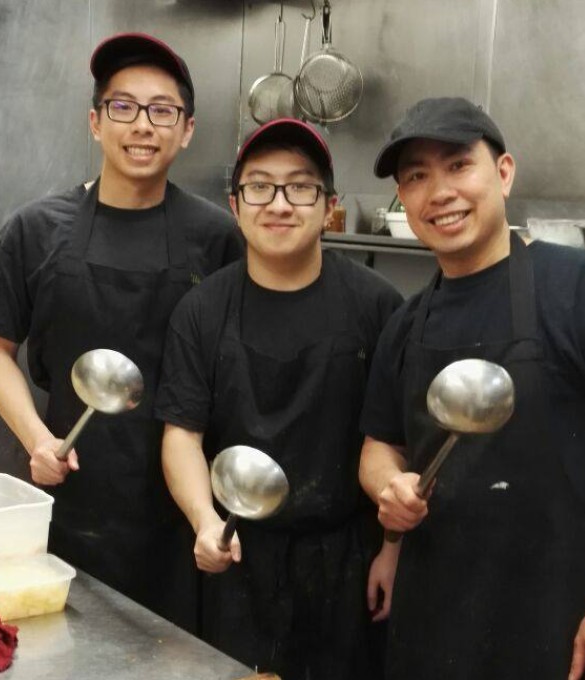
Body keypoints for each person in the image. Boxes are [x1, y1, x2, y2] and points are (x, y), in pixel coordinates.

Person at [358, 97, 585, 680]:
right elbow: (380, 448)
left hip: (562, 615)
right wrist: (390, 497)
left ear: (503, 172)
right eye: (415, 177)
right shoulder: (407, 324)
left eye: (459, 166)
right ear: (403, 200)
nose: (439, 192)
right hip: (437, 609)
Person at [0, 33, 242, 632]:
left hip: (182, 514)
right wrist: (38, 439)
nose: (142, 126)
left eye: (161, 111)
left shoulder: (219, 237)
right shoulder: (36, 230)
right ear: (95, 122)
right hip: (71, 497)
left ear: (187, 129)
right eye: (123, 107)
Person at [155, 118, 403, 680]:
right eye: (260, 186)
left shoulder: (379, 307)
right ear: (236, 204)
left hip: (348, 561)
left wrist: (392, 549)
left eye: (300, 187)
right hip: (239, 557)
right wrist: (202, 521)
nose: (280, 204)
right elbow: (181, 435)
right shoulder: (202, 311)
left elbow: (394, 444)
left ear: (328, 206)